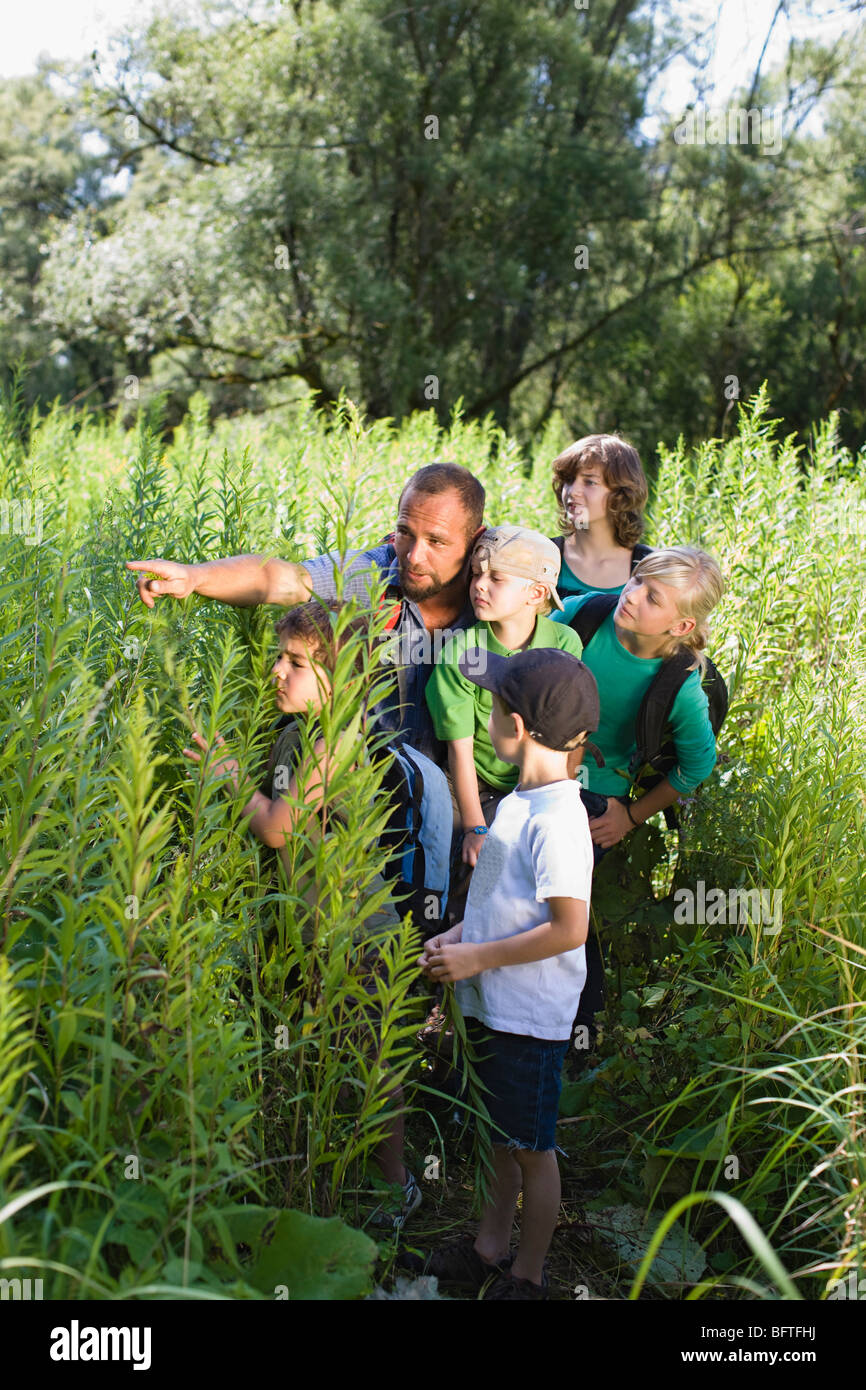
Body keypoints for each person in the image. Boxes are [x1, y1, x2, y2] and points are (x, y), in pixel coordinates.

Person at [182, 599, 422, 1227]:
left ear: (341, 678)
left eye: (296, 662)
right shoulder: (298, 732)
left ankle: (394, 1190)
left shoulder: (338, 738)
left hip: (358, 933)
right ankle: (338, 1183)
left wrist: (228, 774)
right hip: (315, 930)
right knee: (335, 1058)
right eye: (279, 658)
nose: (277, 673)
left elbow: (279, 830)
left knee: (374, 1064)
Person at [419, 647, 600, 1300]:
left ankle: (529, 1274)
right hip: (489, 1002)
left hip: (529, 1015)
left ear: (516, 728)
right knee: (497, 1135)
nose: (486, 716)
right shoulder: (515, 805)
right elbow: (489, 892)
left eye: (492, 707)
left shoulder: (559, 821)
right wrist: (457, 937)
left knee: (531, 1147)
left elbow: (568, 928)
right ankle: (489, 1244)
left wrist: (478, 957)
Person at [127, 462, 486, 765]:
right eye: (405, 533)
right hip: (364, 783)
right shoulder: (370, 575)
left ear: (475, 539)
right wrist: (195, 576)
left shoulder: (501, 590)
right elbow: (282, 579)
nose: (413, 556)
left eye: (436, 541)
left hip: (462, 795)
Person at [550, 545, 725, 1037]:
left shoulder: (679, 686)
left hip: (593, 801)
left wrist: (631, 815)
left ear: (682, 627)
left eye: (653, 598)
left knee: (559, 904)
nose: (633, 597)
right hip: (536, 776)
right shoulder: (588, 613)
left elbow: (697, 766)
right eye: (636, 583)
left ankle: (580, 1023)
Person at [424, 525, 585, 923]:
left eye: (496, 578)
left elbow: (568, 735)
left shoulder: (564, 644)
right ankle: (448, 935)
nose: (479, 585)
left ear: (535, 593)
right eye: (477, 575)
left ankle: (516, 943)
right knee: (476, 860)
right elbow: (458, 750)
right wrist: (476, 828)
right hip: (470, 779)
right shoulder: (462, 651)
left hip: (533, 779)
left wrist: (550, 798)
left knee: (528, 870)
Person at [550, 433, 650, 598]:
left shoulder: (649, 568)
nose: (572, 491)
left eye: (590, 482)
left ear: (622, 493)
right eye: (568, 480)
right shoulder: (542, 558)